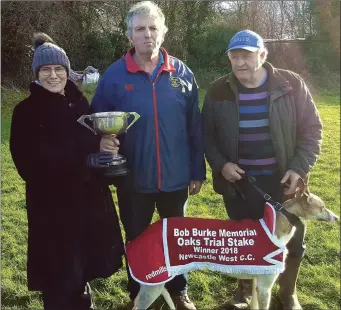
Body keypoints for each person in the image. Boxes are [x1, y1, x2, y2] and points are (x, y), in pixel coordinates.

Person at [90, 2, 206, 309]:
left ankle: (178, 291)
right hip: (133, 178)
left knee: (176, 238)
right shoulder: (114, 76)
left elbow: (196, 126)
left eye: (153, 28)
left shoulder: (181, 73)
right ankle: (140, 295)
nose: (147, 35)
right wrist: (105, 140)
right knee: (138, 240)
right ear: (130, 35)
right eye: (140, 29)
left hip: (176, 177)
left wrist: (198, 171)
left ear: (163, 32)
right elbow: (96, 121)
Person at [202, 30, 322, 310]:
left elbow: (312, 130)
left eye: (247, 55)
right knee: (245, 241)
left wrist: (298, 168)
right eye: (235, 57)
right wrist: (222, 165)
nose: (240, 62)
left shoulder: (291, 84)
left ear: (263, 55)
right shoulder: (218, 90)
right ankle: (246, 293)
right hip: (239, 184)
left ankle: (287, 293)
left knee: (290, 242)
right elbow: (206, 136)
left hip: (285, 184)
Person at [10, 33, 125, 310]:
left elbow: (88, 142)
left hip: (87, 204)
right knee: (58, 278)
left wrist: (104, 147)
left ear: (67, 71)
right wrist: (84, 163)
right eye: (45, 70)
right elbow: (29, 164)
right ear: (37, 74)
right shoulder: (25, 111)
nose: (53, 75)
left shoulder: (79, 103)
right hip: (52, 210)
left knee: (82, 269)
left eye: (58, 69)